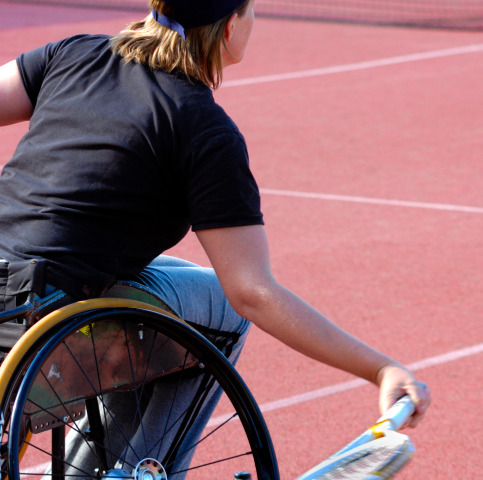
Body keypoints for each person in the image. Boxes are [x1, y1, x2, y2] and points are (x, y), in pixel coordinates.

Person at [0, 0, 430, 477]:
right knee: (224, 309)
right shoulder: (202, 127)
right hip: (42, 313)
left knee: (185, 278)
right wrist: (380, 368)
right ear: (229, 29)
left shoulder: (74, 53)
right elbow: (252, 292)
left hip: (10, 296)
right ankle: (141, 468)